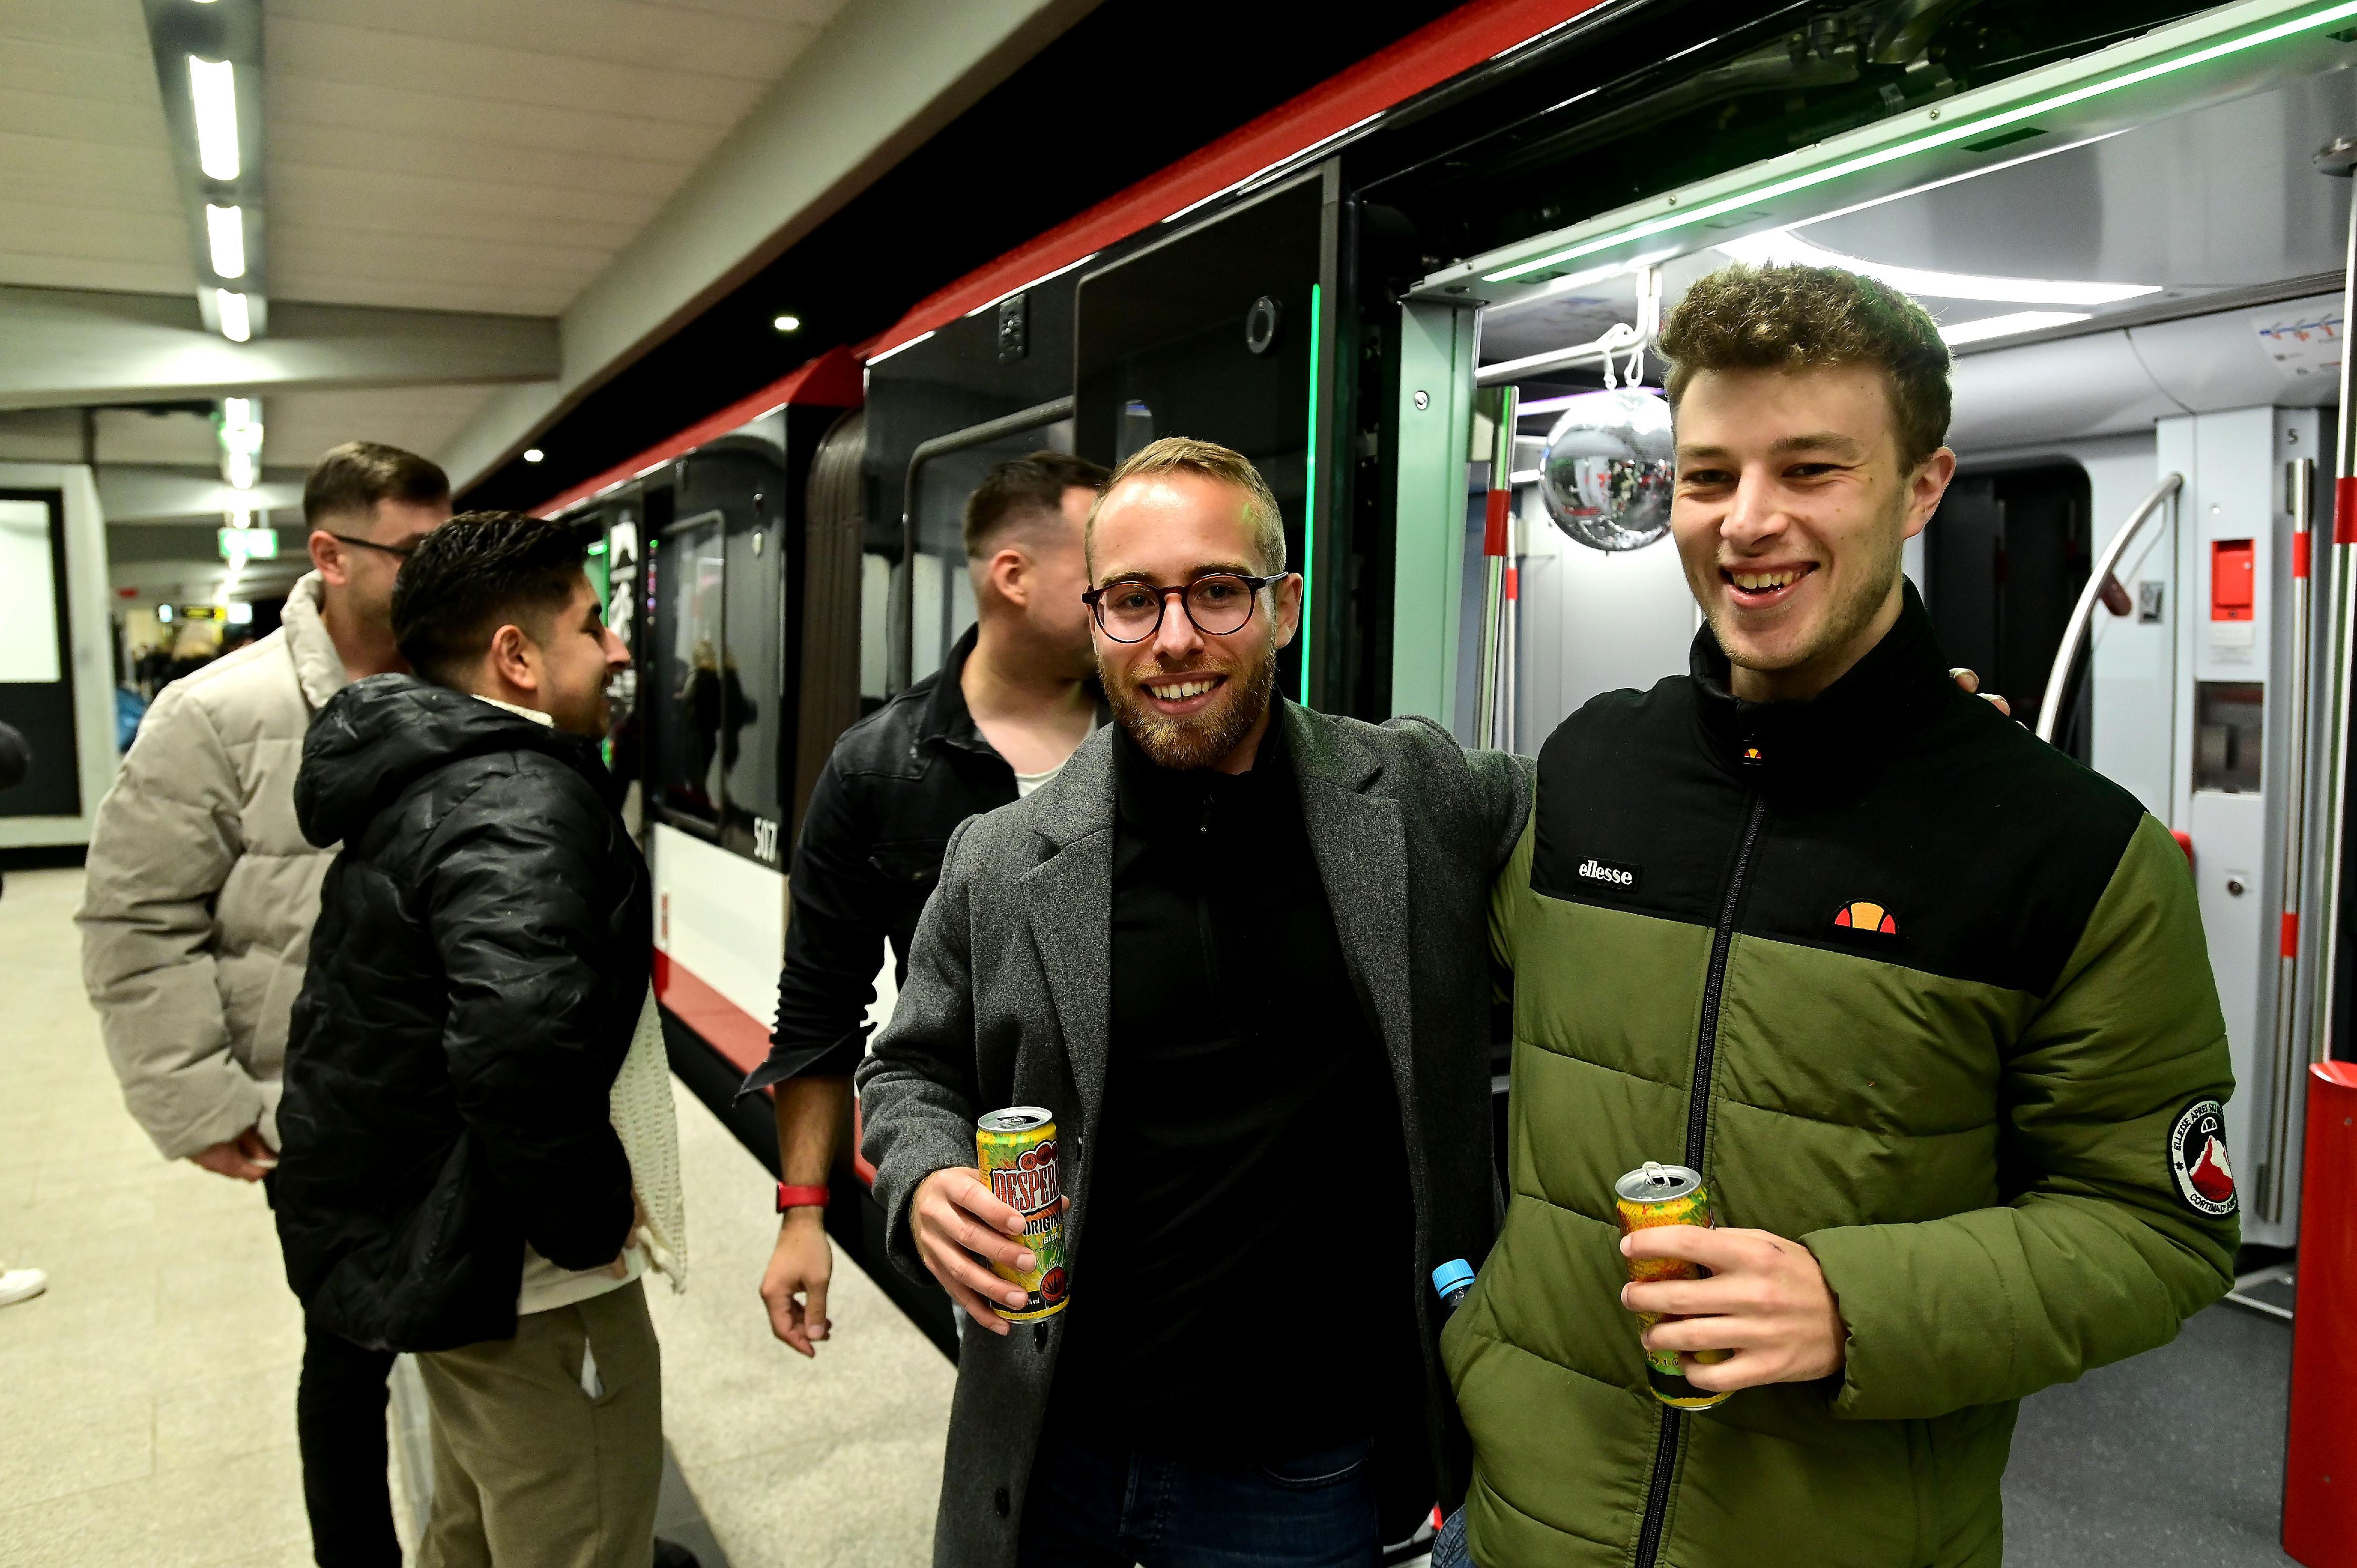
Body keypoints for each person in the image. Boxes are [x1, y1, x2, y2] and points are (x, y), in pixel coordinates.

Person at [1438, 264, 2239, 1568]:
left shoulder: (2071, 853)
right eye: (1707, 477)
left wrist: (1847, 1304)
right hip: (1518, 1525)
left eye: (1811, 470)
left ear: (1921, 487)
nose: (1747, 523)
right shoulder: (1589, 771)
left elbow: (2158, 1226)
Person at [855, 437, 1532, 1568]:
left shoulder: (1413, 798)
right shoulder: (1004, 859)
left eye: (1216, 592)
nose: (1173, 639)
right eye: (1132, 600)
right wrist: (922, 1178)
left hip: (1298, 1474)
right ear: (1095, 618)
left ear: (1284, 609)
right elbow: (907, 1069)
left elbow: (1617, 812)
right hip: (1050, 1450)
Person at [274, 511, 678, 1568]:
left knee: (472, 1530)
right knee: (579, 1533)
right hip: (524, 1275)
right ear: (515, 656)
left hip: (440, 1240)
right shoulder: (516, 795)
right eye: (593, 626)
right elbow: (520, 1041)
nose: (619, 649)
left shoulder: (426, 778)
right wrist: (591, 1223)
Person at [77, 439, 451, 1568]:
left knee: (484, 1338)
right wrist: (199, 1102)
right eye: (415, 554)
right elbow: (135, 921)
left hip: (461, 1084)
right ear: (330, 555)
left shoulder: (466, 684)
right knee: (347, 1354)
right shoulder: (215, 715)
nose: (441, 578)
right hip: (320, 1104)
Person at [746, 450, 1109, 1359]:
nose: (1127, 597)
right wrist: (803, 1212)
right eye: (1103, 575)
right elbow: (821, 1005)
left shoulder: (1158, 734)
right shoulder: (878, 769)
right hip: (999, 1193)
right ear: (1014, 576)